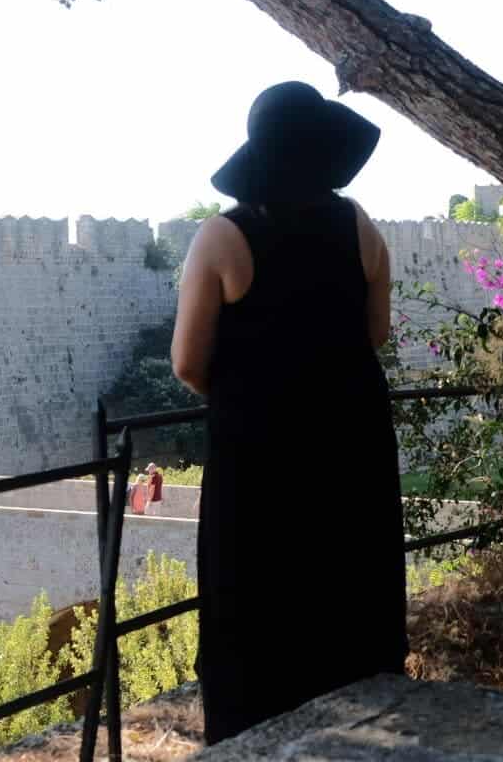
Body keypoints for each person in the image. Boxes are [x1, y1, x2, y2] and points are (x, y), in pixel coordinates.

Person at [170, 80, 405, 746]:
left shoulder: (223, 236)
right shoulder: (360, 225)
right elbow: (375, 334)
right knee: (347, 597)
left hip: (261, 455)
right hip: (349, 439)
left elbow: (189, 361)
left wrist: (257, 391)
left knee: (256, 610)